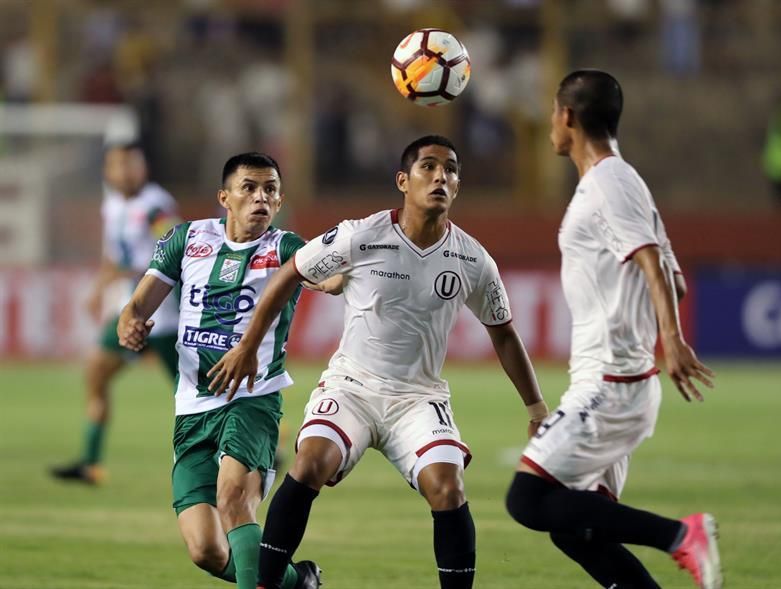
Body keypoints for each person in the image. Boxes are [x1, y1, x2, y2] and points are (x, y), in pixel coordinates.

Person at [207, 135, 550, 589]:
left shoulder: (473, 259)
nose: (440, 177)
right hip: (351, 386)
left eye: (450, 170)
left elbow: (503, 332)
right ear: (403, 181)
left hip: (418, 396)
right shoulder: (361, 235)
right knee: (310, 462)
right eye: (428, 167)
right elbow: (291, 273)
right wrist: (248, 346)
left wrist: (536, 409)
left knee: (448, 488)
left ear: (458, 186)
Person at [504, 70, 722, 589]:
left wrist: (670, 337)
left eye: (552, 113)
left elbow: (650, 260)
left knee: (528, 500)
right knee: (576, 527)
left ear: (567, 117)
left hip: (612, 383)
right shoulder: (625, 181)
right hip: (611, 382)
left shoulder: (607, 183)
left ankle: (679, 535)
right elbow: (675, 280)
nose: (550, 124)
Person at [116, 153, 322, 589]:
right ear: (224, 198)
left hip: (252, 400)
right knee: (206, 551)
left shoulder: (285, 249)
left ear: (279, 201)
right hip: (192, 406)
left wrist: (338, 271)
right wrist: (131, 323)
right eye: (249, 188)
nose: (260, 198)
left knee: (233, 498)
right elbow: (137, 305)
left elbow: (328, 275)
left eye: (270, 190)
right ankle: (295, 582)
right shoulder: (187, 239)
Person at [51, 142, 180, 485]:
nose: (123, 172)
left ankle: (265, 447)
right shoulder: (112, 206)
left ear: (143, 169)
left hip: (165, 316)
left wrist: (121, 274)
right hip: (130, 312)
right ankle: (91, 464)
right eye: (116, 166)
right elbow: (113, 257)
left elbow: (175, 250)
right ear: (108, 171)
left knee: (200, 390)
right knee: (96, 371)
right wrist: (99, 288)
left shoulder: (156, 207)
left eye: (130, 165)